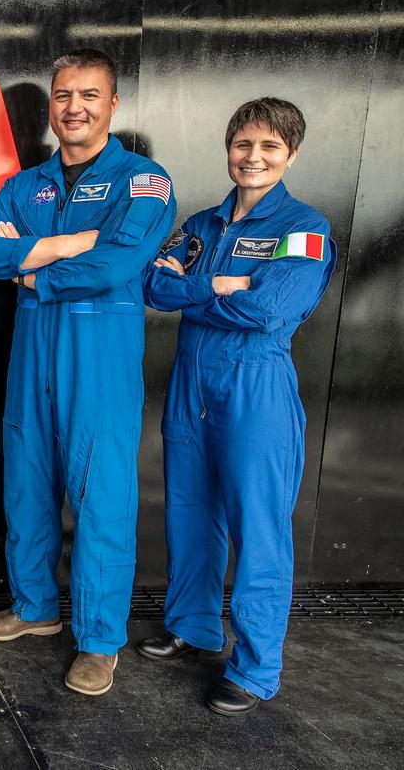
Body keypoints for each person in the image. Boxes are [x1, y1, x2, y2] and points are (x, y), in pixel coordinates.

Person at [0, 49, 176, 696]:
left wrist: (33, 267)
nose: (74, 107)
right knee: (26, 485)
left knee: (102, 499)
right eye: (63, 95)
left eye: (89, 94)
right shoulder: (25, 186)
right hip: (32, 360)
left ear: (113, 104)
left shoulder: (143, 182)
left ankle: (98, 639)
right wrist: (72, 242)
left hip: (100, 365)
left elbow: (119, 263)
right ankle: (34, 607)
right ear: (52, 107)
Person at [138, 98, 335, 715]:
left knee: (259, 527)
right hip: (191, 385)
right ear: (229, 149)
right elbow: (153, 286)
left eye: (269, 148)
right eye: (243, 145)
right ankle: (193, 625)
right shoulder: (201, 225)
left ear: (291, 155)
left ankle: (254, 669)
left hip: (257, 390)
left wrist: (199, 293)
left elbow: (271, 311)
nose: (253, 158)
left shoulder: (304, 228)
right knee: (190, 511)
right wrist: (221, 285)